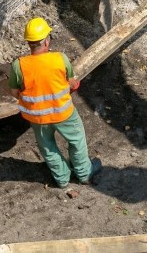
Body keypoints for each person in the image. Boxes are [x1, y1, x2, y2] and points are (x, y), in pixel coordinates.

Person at [9, 17, 101, 188]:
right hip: (64, 114)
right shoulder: (60, 58)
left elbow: (15, 92)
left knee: (48, 148)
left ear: (29, 43)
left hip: (38, 118)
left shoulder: (18, 66)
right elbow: (72, 83)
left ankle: (62, 179)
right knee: (76, 140)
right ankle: (84, 174)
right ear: (46, 41)